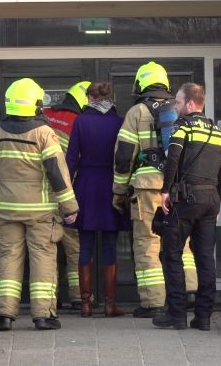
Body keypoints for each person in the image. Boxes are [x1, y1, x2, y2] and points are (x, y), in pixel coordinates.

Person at [0, 78, 79, 331]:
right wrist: (69, 207)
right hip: (40, 212)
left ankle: (4, 315)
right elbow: (58, 173)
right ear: (35, 105)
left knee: (8, 258)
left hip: (7, 210)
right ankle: (43, 316)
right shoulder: (44, 133)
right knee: (43, 259)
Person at [112, 61, 198, 318]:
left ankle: (154, 302)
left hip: (148, 188)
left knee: (147, 243)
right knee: (182, 242)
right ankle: (190, 291)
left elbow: (124, 155)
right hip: (178, 187)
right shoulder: (181, 108)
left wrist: (118, 190)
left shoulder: (137, 112)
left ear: (140, 85)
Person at [153, 83, 221, 331]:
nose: (175, 106)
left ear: (190, 104)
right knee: (206, 258)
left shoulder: (181, 126)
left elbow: (173, 158)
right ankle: (203, 317)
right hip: (211, 201)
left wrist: (165, 191)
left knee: (171, 254)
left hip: (186, 200)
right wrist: (219, 201)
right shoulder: (217, 131)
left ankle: (177, 315)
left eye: (178, 102)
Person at [65, 82, 129, 317]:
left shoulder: (80, 122)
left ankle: (85, 304)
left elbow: (71, 158)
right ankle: (110, 304)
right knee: (110, 245)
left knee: (86, 244)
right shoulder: (119, 121)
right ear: (110, 97)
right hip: (112, 185)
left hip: (87, 186)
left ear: (89, 98)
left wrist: (67, 191)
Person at [43, 81, 91, 311]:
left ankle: (50, 298)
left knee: (47, 247)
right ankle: (77, 297)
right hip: (68, 193)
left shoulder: (45, 114)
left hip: (41, 193)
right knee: (74, 248)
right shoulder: (79, 122)